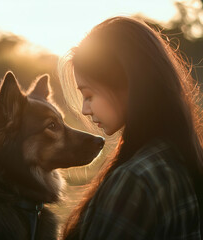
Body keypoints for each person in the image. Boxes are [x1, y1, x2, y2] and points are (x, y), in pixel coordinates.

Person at [58, 16, 203, 240]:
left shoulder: (136, 179)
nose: (85, 110)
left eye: (89, 95)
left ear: (127, 83)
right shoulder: (181, 159)